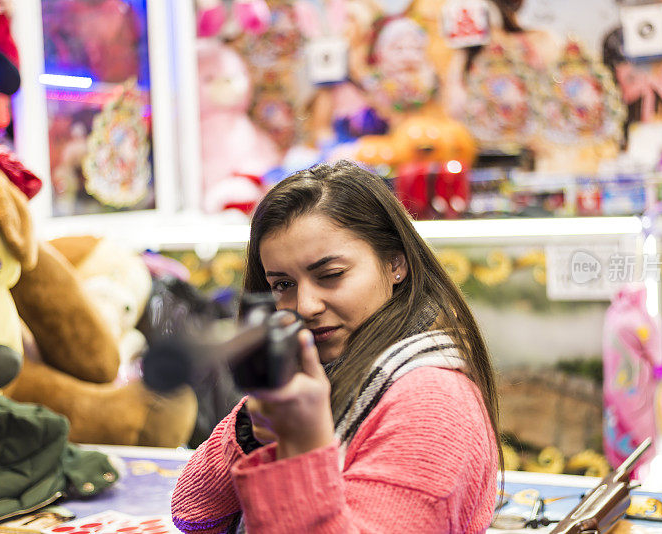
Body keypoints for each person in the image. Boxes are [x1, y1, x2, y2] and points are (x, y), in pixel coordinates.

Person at [171, 161, 501, 533]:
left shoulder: (432, 402)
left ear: (396, 263)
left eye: (330, 275)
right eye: (282, 285)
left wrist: (299, 446)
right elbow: (192, 512)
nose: (305, 306)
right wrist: (253, 427)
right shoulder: (319, 372)